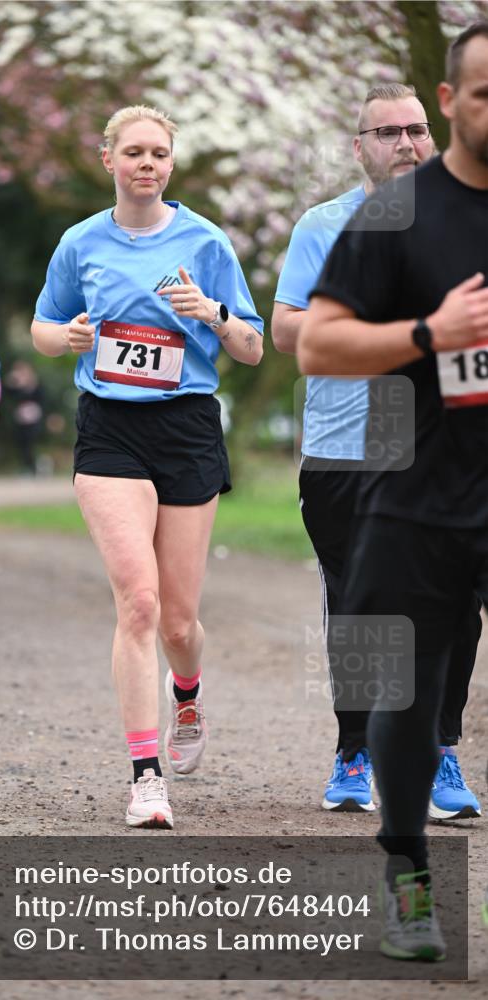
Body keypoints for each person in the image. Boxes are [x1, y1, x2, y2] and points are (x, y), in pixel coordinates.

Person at [298, 22, 488, 961]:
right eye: (482, 92)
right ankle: (406, 871)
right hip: (415, 489)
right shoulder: (396, 215)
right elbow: (317, 343)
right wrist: (430, 332)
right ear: (449, 102)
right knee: (404, 690)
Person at [31, 105, 263, 829]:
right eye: (133, 151)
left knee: (178, 620)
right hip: (110, 431)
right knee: (136, 601)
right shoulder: (80, 243)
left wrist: (213, 313)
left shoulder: (206, 241)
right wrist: (61, 336)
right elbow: (44, 325)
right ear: (108, 159)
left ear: (170, 163)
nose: (147, 163)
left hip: (187, 427)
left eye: (158, 153)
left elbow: (253, 346)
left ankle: (186, 691)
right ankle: (144, 777)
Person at [273, 84, 482, 819]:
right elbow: (286, 330)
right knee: (361, 607)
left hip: (448, 443)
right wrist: (388, 323)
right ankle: (354, 751)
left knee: (457, 604)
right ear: (356, 146)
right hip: (345, 447)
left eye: (415, 129)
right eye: (384, 131)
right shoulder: (323, 226)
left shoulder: (465, 222)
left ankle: (441, 752)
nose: (404, 143)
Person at [4, 359, 46, 475]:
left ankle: (35, 467)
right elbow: (9, 394)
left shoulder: (35, 384)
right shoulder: (16, 385)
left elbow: (41, 399)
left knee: (30, 442)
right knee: (22, 442)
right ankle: (27, 467)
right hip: (21, 416)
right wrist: (13, 382)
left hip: (33, 416)